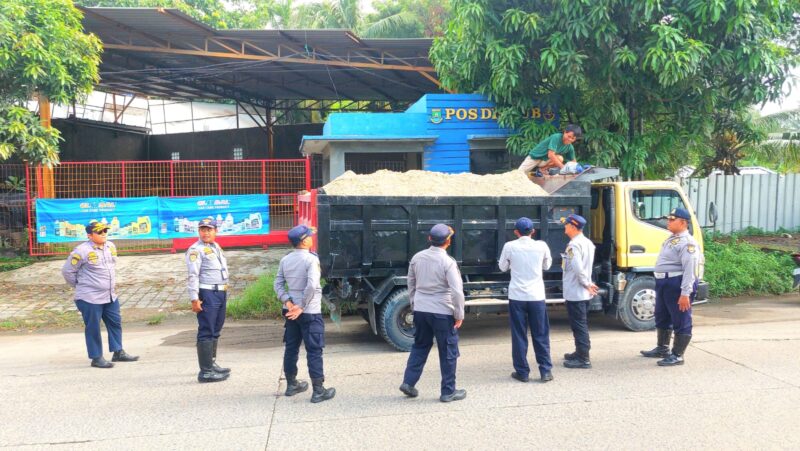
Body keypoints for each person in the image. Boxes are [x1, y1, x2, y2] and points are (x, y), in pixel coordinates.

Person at [400, 224, 467, 403]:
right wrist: (459, 314)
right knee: (448, 351)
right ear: (448, 241)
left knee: (420, 345)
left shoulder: (417, 258)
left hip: (421, 309)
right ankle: (448, 391)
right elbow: (457, 291)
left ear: (429, 239)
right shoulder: (448, 262)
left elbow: (411, 285)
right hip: (442, 312)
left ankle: (408, 382)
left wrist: (415, 305)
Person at [61, 220, 139, 369]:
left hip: (109, 295)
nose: (104, 234)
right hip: (89, 297)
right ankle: (96, 357)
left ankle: (118, 352)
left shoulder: (110, 246)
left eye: (105, 231)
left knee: (115, 322)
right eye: (99, 232)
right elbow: (67, 271)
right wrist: (80, 285)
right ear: (90, 235)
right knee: (93, 327)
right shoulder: (81, 251)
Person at [274, 224, 335, 403]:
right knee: (314, 350)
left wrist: (288, 301)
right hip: (309, 312)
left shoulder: (285, 260)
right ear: (304, 240)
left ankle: (292, 385)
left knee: (291, 348)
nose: (311, 237)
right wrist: (301, 306)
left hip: (290, 311)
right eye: (309, 236)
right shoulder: (310, 260)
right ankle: (318, 391)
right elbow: (312, 285)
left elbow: (277, 284)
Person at [640, 208, 703, 366]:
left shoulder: (688, 243)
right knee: (662, 315)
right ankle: (662, 348)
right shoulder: (672, 238)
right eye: (668, 219)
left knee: (680, 318)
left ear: (683, 223)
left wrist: (685, 293)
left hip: (677, 283)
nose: (668, 222)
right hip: (664, 282)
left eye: (672, 219)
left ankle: (677, 355)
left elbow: (690, 269)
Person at [498, 217, 554, 383]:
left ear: (516, 232)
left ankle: (522, 372)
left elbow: (502, 267)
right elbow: (547, 266)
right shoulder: (541, 245)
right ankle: (545, 371)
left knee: (519, 334)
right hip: (537, 296)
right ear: (533, 231)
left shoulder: (510, 246)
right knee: (541, 334)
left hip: (517, 296)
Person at [186, 217, 230, 383]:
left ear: (215, 231)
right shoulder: (195, 250)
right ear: (199, 231)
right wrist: (194, 298)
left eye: (209, 229)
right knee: (206, 330)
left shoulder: (215, 246)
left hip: (220, 292)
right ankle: (205, 372)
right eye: (203, 229)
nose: (205, 232)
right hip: (207, 293)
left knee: (216, 329)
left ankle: (211, 363)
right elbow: (193, 275)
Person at [561, 214, 599, 369]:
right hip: (581, 291)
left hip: (576, 290)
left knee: (579, 325)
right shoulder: (587, 242)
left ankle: (583, 358)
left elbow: (577, 267)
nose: (564, 227)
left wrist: (586, 283)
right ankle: (580, 352)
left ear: (573, 227)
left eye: (566, 224)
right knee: (579, 324)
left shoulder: (574, 245)